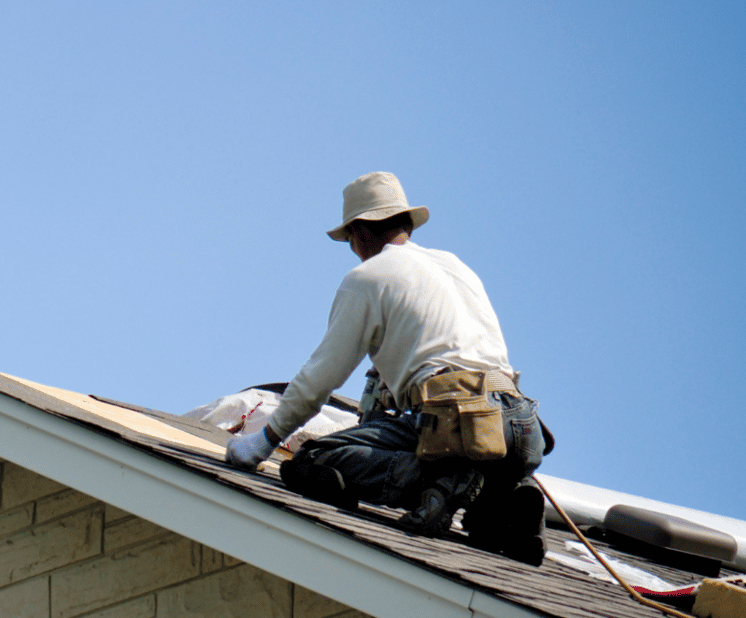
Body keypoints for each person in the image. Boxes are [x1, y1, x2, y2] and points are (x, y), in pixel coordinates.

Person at [224, 172, 549, 564]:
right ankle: (506, 499)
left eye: (350, 242)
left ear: (359, 234)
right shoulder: (455, 266)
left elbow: (320, 378)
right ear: (406, 224)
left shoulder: (368, 278)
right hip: (518, 424)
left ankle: (438, 480)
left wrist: (262, 442)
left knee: (313, 462)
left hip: (454, 421)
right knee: (483, 524)